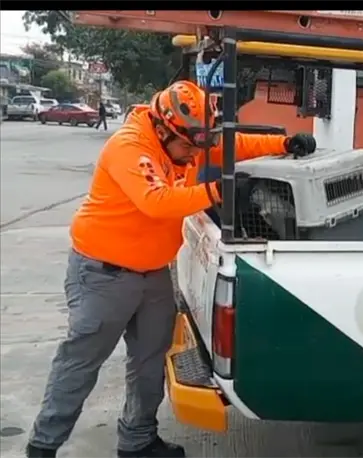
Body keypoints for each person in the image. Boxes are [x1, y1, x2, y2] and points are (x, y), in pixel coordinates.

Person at [26, 80, 317, 458]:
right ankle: (42, 447)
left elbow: (233, 145)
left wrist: (283, 144)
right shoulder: (130, 146)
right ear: (163, 129)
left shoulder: (187, 138)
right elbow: (156, 201)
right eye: (188, 147)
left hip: (152, 274)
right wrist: (216, 192)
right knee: (80, 364)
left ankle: (137, 442)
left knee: (149, 362)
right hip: (103, 276)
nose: (195, 154)